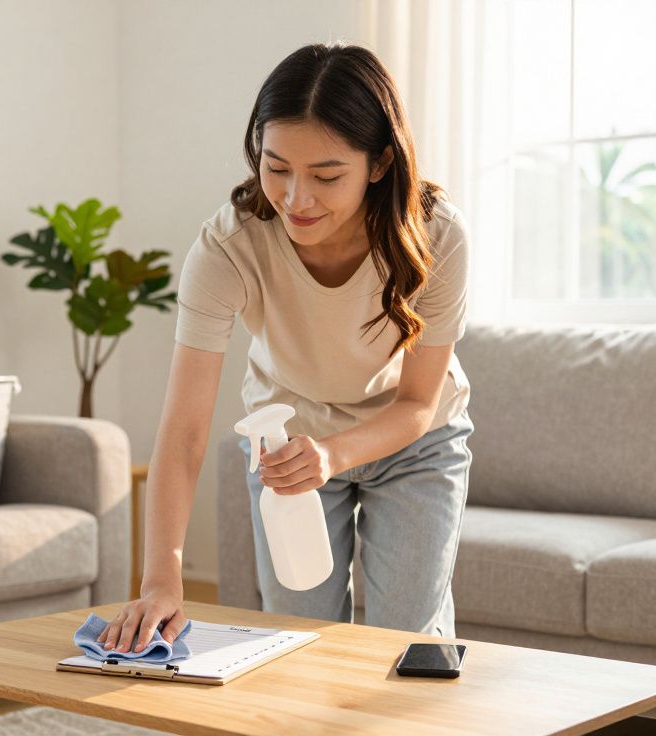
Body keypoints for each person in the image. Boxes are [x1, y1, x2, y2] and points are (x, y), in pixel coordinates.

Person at [98, 41, 473, 655]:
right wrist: (161, 578)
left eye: (326, 176)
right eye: (277, 168)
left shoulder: (437, 235)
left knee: (406, 645)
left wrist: (332, 454)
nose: (297, 198)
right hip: (286, 448)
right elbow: (186, 428)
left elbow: (416, 404)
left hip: (414, 442)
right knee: (299, 644)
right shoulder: (229, 246)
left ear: (379, 164)